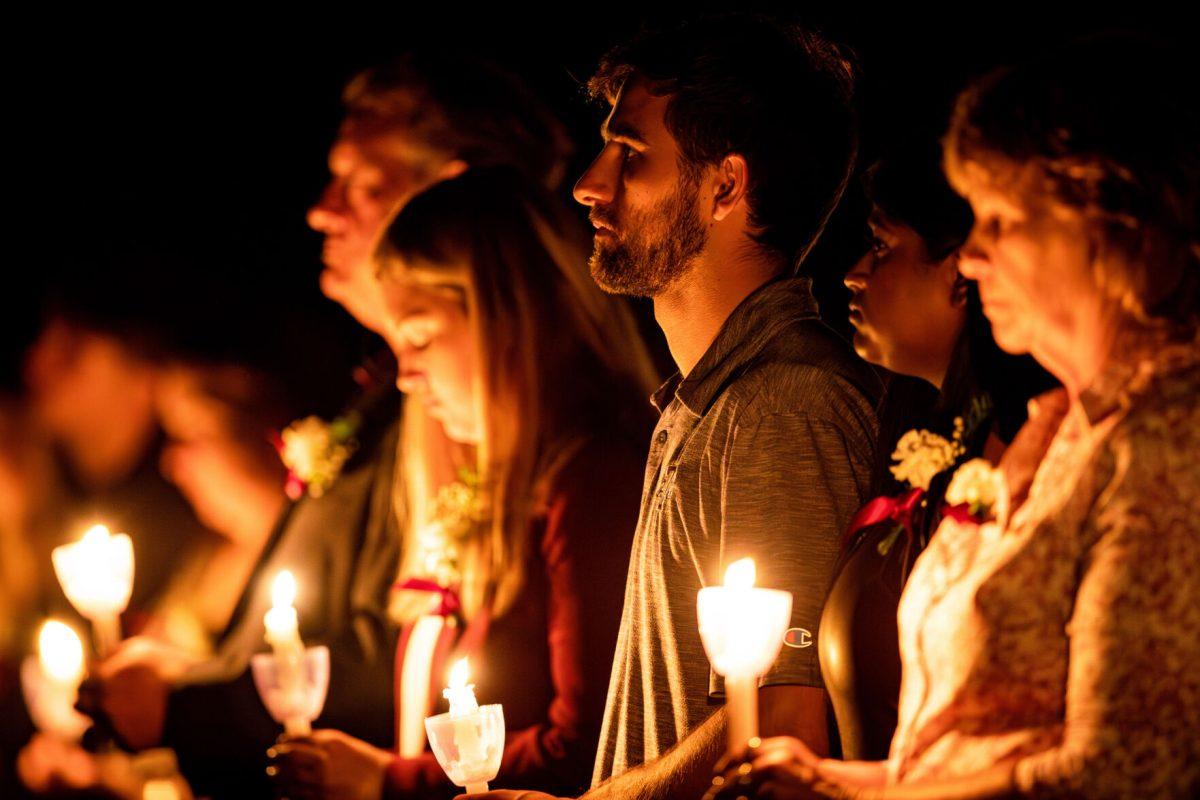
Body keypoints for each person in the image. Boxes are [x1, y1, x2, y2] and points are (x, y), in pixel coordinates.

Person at [709, 33, 1199, 799]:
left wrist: (861, 797)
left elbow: (1128, 767)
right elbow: (977, 747)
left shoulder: (1167, 441)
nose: (972, 258)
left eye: (1000, 221)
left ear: (1102, 223)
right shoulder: (1065, 430)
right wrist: (842, 779)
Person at [72, 52, 574, 799]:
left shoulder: (494, 425)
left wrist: (183, 705)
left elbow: (386, 654)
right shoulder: (394, 400)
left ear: (453, 192)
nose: (321, 209)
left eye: (363, 184)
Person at [477, 14, 882, 800]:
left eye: (630, 155)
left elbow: (782, 718)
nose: (590, 183)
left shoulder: (783, 403)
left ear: (725, 186)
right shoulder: (715, 399)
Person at [268, 168, 658, 800]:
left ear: (508, 319)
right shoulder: (494, 487)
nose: (406, 377)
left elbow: (591, 746)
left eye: (419, 336)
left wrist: (387, 781)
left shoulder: (590, 484)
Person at [822, 141, 1055, 760]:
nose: (854, 273)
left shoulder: (1016, 458)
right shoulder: (916, 442)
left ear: (959, 271)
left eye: (881, 246)